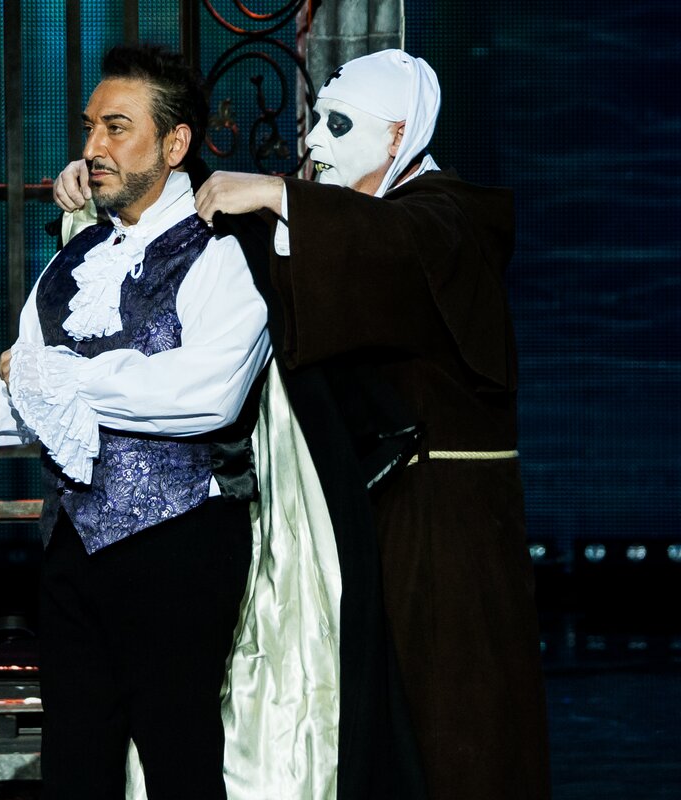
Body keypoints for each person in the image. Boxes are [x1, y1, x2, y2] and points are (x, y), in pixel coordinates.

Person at [55, 48, 551, 800]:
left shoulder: (449, 215)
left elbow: (392, 244)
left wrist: (277, 193)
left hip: (447, 530)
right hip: (373, 516)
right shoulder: (345, 218)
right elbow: (249, 242)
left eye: (338, 125)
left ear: (397, 137)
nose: (315, 140)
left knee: (454, 719)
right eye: (316, 120)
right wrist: (108, 184)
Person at [0, 44, 271, 799]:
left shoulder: (222, 252)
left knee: (179, 763)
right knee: (76, 764)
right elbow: (31, 382)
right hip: (74, 542)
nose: (93, 147)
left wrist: (61, 378)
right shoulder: (74, 263)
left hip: (179, 541)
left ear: (175, 144)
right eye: (90, 127)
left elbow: (209, 393)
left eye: (117, 128)